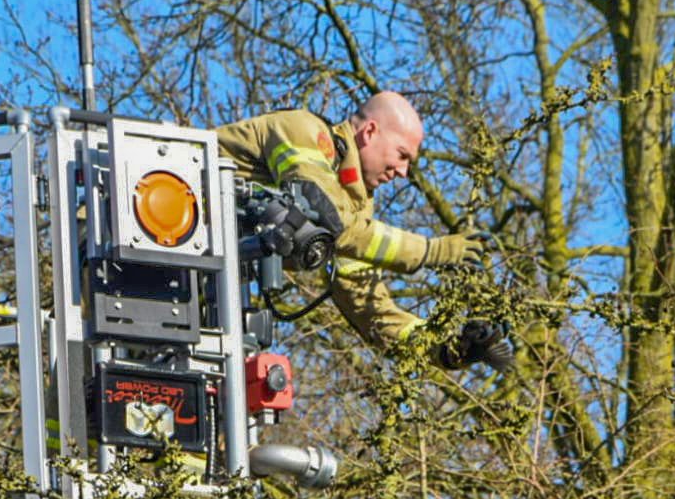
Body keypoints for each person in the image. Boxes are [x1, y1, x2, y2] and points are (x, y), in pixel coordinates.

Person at [216, 91, 513, 371]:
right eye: (402, 155)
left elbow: (370, 309)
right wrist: (431, 251)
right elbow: (322, 214)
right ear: (369, 132)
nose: (403, 172)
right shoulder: (304, 131)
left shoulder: (354, 208)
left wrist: (448, 350)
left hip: (204, 275)